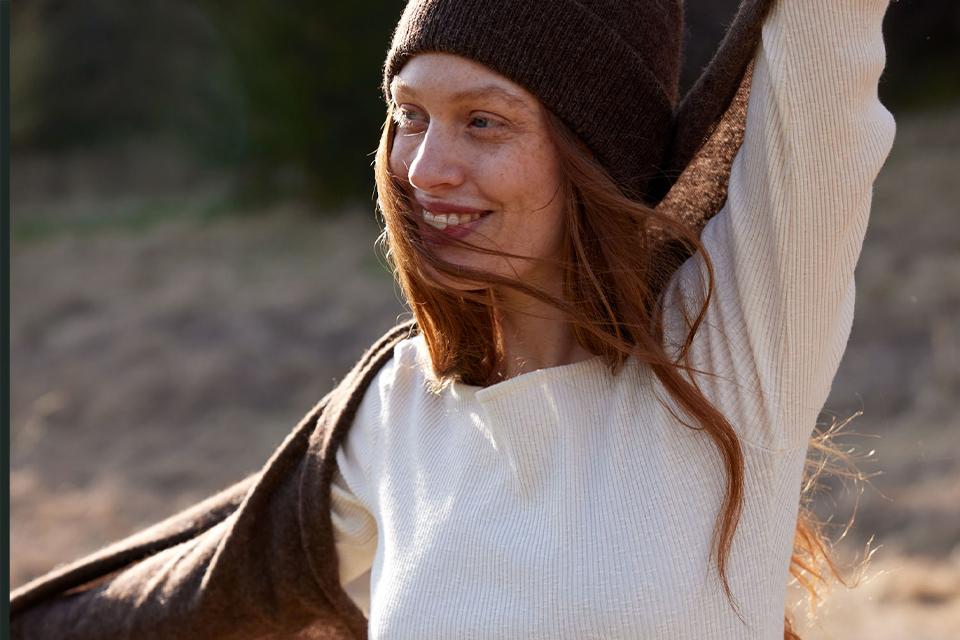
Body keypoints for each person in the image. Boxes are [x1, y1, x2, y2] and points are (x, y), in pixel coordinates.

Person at [10, 0, 895, 638]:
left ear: (592, 150)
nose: (425, 168)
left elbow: (828, 36)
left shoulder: (734, 345)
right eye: (409, 116)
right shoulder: (396, 409)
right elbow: (184, 598)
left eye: (482, 122)